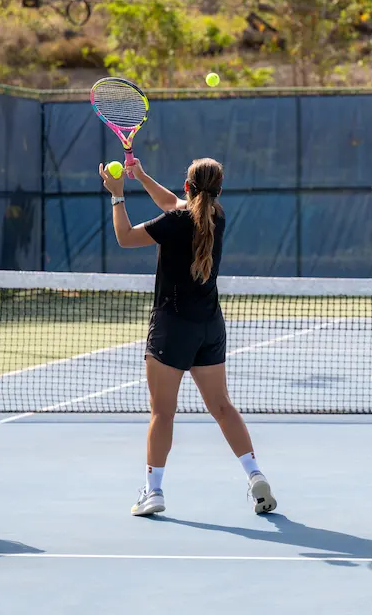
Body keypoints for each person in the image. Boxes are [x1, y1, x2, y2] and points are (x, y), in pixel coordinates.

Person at [98, 156, 277, 517]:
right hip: (210, 327)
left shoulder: (177, 221)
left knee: (162, 413)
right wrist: (144, 177)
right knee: (223, 407)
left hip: (172, 327)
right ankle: (254, 474)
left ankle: (154, 491)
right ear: (218, 190)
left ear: (188, 187)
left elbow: (124, 237)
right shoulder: (217, 216)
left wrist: (118, 195)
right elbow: (172, 204)